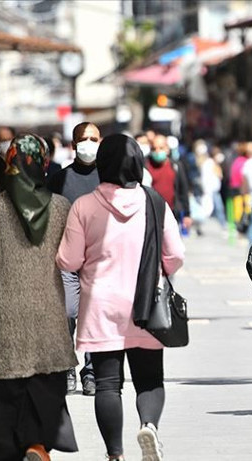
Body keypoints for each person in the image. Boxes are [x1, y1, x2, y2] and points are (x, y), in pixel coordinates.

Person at [57, 134, 185, 460]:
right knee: (149, 379)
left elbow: (68, 261)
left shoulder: (84, 205)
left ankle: (115, 454)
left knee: (107, 384)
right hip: (146, 304)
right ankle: (149, 427)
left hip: (100, 305)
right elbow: (175, 256)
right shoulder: (154, 201)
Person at [0, 134, 78, 459]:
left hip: (2, 318)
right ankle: (37, 444)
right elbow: (70, 259)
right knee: (41, 389)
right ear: (43, 163)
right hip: (48, 317)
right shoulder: (60, 207)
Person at [48, 121, 102, 396]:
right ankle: (68, 366)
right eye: (84, 139)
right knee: (69, 313)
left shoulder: (109, 177)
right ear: (73, 145)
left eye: (94, 138)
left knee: (92, 317)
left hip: (99, 261)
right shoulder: (59, 179)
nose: (89, 144)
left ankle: (90, 372)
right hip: (67, 259)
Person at [148, 134, 191, 226]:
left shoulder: (176, 166)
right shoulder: (146, 166)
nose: (157, 151)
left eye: (161, 148)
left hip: (172, 213)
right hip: (151, 214)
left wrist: (186, 214)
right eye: (154, 148)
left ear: (167, 148)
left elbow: (183, 190)